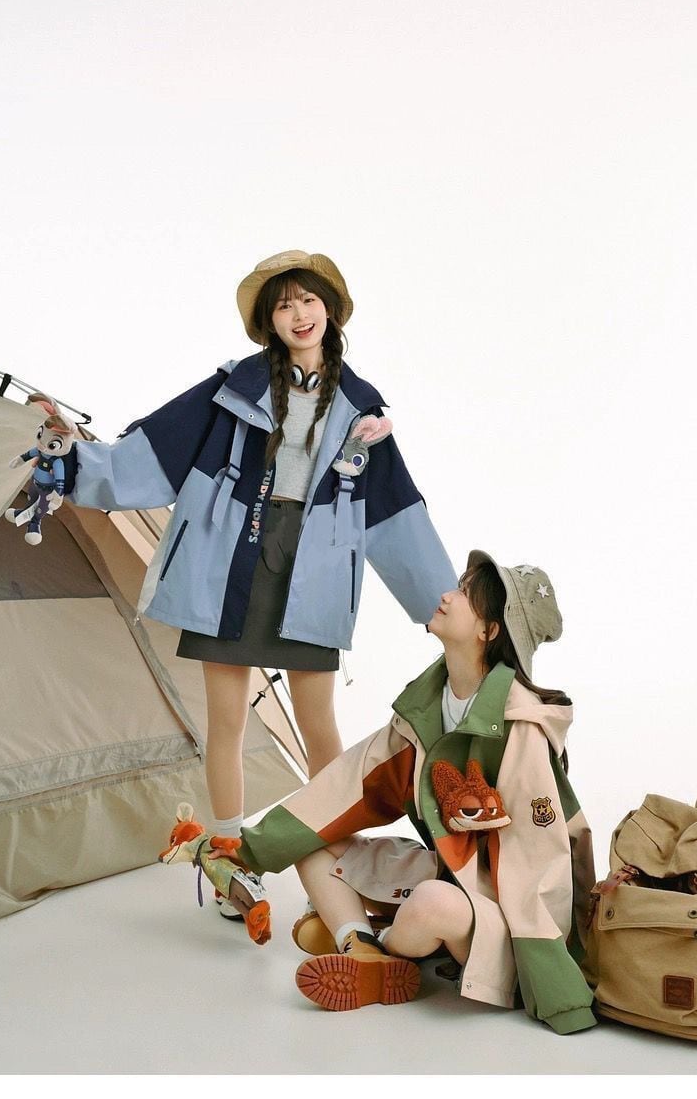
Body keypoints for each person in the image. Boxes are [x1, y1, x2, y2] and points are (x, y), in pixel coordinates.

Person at [66, 249, 456, 914]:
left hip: (314, 569)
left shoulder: (361, 408)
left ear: (330, 310)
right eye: (284, 304)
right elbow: (156, 450)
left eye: (309, 300)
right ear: (268, 321)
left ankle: (337, 862)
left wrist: (447, 606)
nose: (298, 314)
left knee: (319, 723)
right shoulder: (233, 389)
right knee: (226, 721)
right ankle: (230, 862)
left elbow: (396, 514)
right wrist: (75, 468)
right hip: (233, 563)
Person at [232, 550, 597, 1034]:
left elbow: (539, 858)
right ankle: (364, 947)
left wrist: (554, 986)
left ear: (490, 630)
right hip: (448, 873)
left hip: (503, 912)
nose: (446, 595)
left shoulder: (520, 725)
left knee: (431, 904)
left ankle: (371, 944)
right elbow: (347, 787)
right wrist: (246, 852)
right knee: (315, 844)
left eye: (464, 594)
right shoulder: (424, 708)